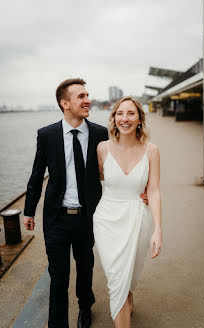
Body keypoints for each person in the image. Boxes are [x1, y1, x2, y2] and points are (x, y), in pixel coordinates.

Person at [23, 78, 109, 328]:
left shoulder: (99, 133)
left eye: (87, 95)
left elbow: (112, 170)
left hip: (87, 217)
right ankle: (57, 323)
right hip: (57, 218)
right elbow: (37, 175)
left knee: (85, 268)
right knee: (58, 276)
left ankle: (85, 306)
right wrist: (29, 211)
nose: (87, 100)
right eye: (81, 96)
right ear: (65, 103)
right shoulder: (47, 135)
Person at [93, 97, 162, 328]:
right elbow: (98, 183)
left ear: (140, 119)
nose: (125, 118)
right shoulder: (102, 149)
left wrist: (158, 231)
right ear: (113, 118)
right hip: (107, 221)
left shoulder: (152, 151)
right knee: (116, 280)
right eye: (120, 113)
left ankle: (129, 294)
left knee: (130, 273)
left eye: (131, 113)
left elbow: (153, 191)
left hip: (138, 219)